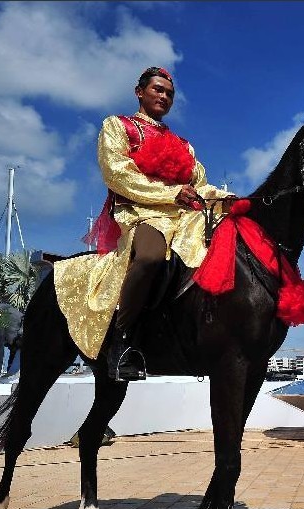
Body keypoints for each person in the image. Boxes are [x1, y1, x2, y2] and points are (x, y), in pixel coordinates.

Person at [89, 66, 234, 380]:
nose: (164, 96)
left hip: (184, 216)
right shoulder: (119, 126)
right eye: (158, 89)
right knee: (151, 256)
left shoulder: (183, 145)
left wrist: (229, 199)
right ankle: (121, 340)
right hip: (142, 213)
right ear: (139, 92)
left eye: (169, 93)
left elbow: (201, 186)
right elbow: (118, 174)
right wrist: (171, 194)